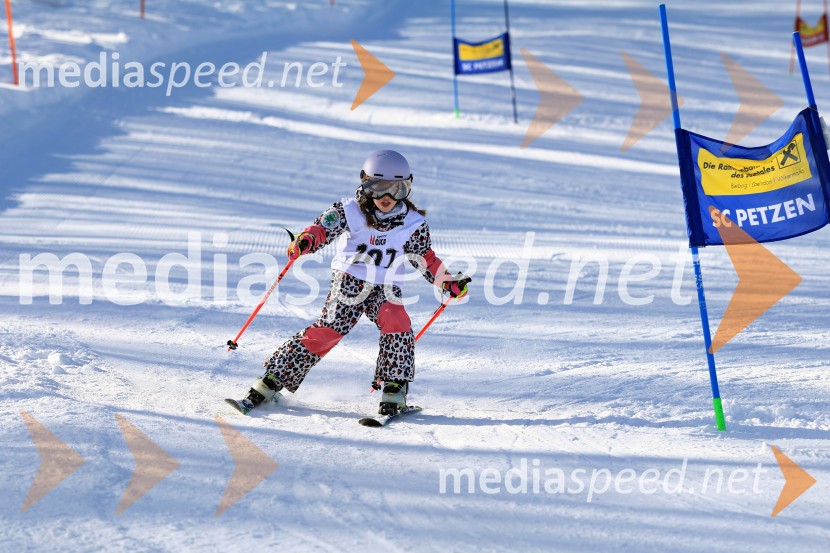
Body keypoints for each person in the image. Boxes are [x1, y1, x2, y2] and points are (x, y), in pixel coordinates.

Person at [232, 150, 471, 415]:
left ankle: (394, 389)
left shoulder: (413, 224)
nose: (386, 198)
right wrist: (306, 240)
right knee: (331, 328)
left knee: (397, 320)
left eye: (397, 189)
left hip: (386, 287)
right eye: (377, 188)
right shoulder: (348, 211)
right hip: (349, 281)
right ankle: (272, 379)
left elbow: (425, 257)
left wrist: (446, 281)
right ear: (365, 183)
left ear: (408, 188)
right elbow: (321, 228)